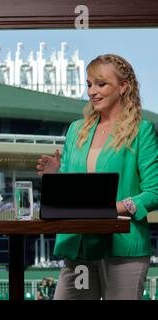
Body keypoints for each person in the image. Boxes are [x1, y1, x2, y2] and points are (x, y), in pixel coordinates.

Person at [37, 54, 158, 300]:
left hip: (123, 246)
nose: (92, 91)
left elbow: (154, 191)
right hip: (79, 245)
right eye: (89, 84)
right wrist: (56, 176)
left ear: (123, 87)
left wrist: (114, 209)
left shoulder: (141, 131)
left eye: (101, 84)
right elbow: (73, 193)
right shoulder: (76, 130)